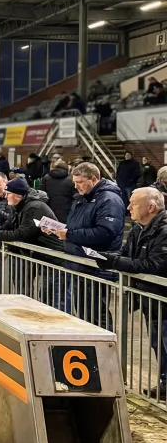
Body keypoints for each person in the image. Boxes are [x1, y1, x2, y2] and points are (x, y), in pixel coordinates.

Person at [94, 187, 167, 400]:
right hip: (150, 301)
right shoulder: (139, 228)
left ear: (151, 207)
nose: (128, 207)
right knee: (157, 344)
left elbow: (156, 264)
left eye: (134, 203)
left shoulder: (163, 231)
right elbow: (127, 254)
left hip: (162, 298)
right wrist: (108, 257)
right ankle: (164, 382)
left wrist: (116, 262)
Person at [45, 163, 125, 323]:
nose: (75, 186)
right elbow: (79, 227)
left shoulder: (109, 200)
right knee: (83, 315)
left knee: (96, 317)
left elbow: (105, 232)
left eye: (80, 182)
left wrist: (69, 234)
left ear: (94, 179)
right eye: (74, 182)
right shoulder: (83, 199)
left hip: (95, 267)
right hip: (79, 264)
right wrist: (60, 230)